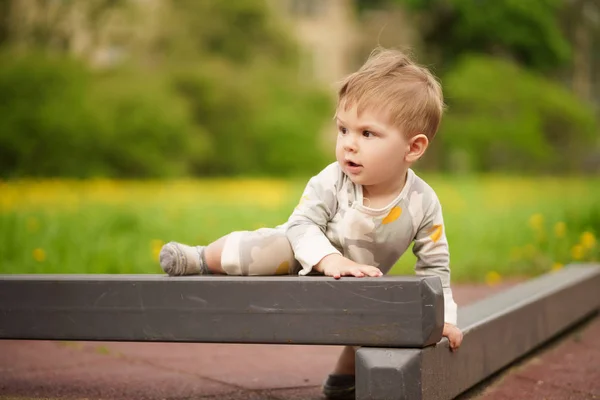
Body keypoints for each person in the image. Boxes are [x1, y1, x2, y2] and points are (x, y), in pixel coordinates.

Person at [159, 47, 463, 400]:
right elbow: (300, 225)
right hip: (301, 254)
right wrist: (328, 259)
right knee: (260, 251)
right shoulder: (333, 180)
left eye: (367, 134)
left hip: (357, 278)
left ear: (413, 148)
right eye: (343, 129)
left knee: (384, 310)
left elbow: (435, 266)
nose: (349, 145)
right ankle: (201, 257)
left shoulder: (423, 202)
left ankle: (343, 378)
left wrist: (442, 318)